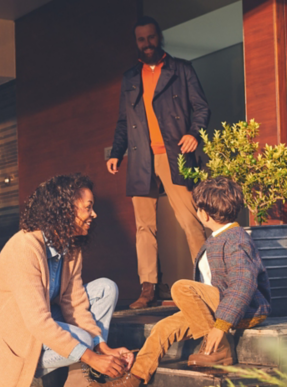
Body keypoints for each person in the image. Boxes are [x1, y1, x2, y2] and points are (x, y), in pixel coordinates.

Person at [86, 177, 272, 387]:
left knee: (181, 287)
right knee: (163, 328)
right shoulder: (216, 239)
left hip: (242, 309)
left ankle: (219, 349)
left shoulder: (235, 239)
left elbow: (243, 283)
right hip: (216, 308)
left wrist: (220, 327)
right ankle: (131, 384)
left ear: (204, 214)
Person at [0, 174, 134, 387]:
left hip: (39, 324)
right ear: (65, 211)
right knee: (82, 340)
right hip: (8, 338)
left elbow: (74, 304)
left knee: (106, 288)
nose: (94, 214)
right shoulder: (24, 247)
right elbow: (37, 321)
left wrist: (101, 346)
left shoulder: (71, 247)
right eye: (88, 207)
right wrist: (92, 356)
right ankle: (89, 366)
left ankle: (82, 374)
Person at [107, 16, 210, 309]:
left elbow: (202, 108)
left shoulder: (181, 70)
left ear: (159, 37)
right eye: (141, 39)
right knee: (144, 226)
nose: (147, 44)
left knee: (190, 219)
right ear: (136, 43)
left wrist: (193, 134)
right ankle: (148, 287)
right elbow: (124, 121)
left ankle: (205, 282)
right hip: (141, 156)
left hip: (174, 153)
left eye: (151, 38)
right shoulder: (130, 78)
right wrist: (117, 152)